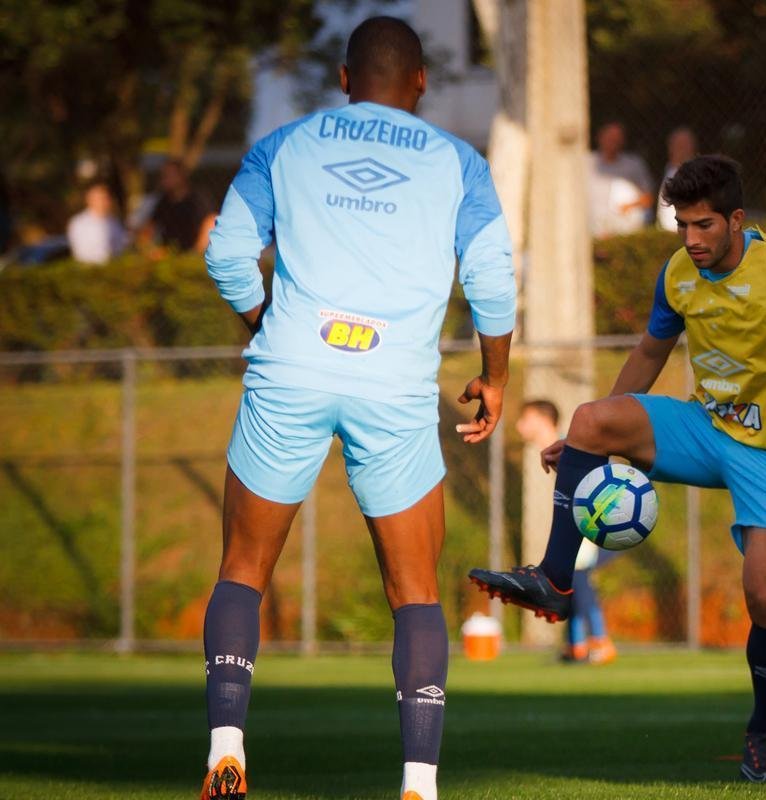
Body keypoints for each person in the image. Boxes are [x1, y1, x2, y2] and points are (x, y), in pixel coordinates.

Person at [470, 155, 766, 783]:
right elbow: (650, 352)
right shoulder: (678, 273)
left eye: (704, 225)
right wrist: (590, 432)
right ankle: (554, 580)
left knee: (765, 595)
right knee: (588, 418)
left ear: (737, 219)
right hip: (705, 431)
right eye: (682, 225)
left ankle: (763, 731)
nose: (691, 239)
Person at [201, 16, 515, 800]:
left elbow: (226, 253)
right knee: (415, 591)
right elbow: (494, 283)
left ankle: (225, 751)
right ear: (419, 83)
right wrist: (495, 376)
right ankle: (418, 782)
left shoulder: (282, 146)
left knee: (243, 569)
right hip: (395, 385)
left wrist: (265, 323)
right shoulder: (460, 164)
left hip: (293, 370)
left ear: (344, 79)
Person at [515, 399, 617, 664]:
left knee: (579, 580)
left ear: (543, 420)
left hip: (590, 522)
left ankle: (599, 642)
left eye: (525, 418)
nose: (519, 425)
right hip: (581, 522)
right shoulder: (557, 449)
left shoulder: (569, 448)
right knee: (570, 581)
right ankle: (577, 645)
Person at [588, 121, 654, 237]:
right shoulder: (586, 162)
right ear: (599, 137)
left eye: (617, 138)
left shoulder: (634, 165)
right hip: (589, 231)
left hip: (623, 233)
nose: (613, 142)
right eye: (609, 137)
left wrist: (629, 206)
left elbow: (648, 198)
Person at [141, 158, 213, 252]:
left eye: (169, 175)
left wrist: (197, 251)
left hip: (194, 253)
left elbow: (211, 221)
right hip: (170, 253)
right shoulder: (164, 201)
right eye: (163, 176)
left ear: (181, 176)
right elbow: (151, 227)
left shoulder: (198, 198)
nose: (165, 179)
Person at [66, 181, 128, 264]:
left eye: (106, 198)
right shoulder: (79, 223)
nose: (104, 202)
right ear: (89, 200)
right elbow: (81, 253)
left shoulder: (114, 221)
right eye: (100, 198)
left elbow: (122, 245)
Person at [656, 127, 698, 231]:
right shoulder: (668, 170)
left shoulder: (698, 173)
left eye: (685, 143)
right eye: (677, 143)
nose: (681, 147)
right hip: (664, 232)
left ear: (693, 147)